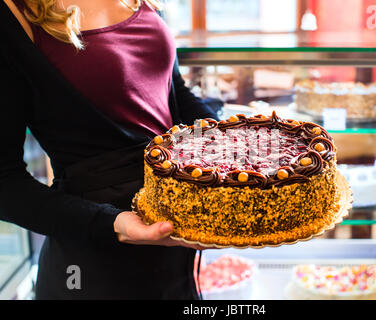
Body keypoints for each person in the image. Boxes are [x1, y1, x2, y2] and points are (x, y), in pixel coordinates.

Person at [0, 0, 220, 299]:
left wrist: (229, 142)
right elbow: (5, 183)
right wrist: (114, 224)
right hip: (93, 258)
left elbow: (173, 90)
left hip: (173, 238)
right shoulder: (12, 12)